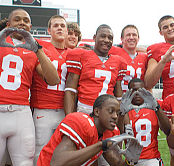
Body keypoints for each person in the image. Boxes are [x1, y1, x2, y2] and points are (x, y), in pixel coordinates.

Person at [0, 8, 59, 166]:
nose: (21, 23)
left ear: (31, 27)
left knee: (25, 162)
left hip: (21, 112)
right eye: (17, 19)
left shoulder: (33, 49)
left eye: (26, 21)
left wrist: (38, 49)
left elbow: (54, 80)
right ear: (8, 24)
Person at [37, 94, 143, 166]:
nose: (115, 116)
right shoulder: (81, 122)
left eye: (118, 113)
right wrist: (100, 145)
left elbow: (117, 163)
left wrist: (130, 161)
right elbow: (57, 162)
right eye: (111, 111)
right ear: (96, 112)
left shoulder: (109, 132)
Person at [30, 15, 68, 165]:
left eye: (62, 26)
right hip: (43, 109)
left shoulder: (73, 53)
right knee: (39, 151)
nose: (59, 28)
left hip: (64, 110)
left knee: (62, 152)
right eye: (56, 25)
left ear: (67, 31)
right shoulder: (40, 47)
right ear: (49, 30)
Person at [64, 24, 127, 115]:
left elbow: (119, 96)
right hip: (85, 109)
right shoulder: (81, 55)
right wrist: (69, 117)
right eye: (103, 36)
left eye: (110, 38)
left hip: (108, 113)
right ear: (94, 37)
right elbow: (70, 90)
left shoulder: (118, 62)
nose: (106, 40)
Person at [123, 78, 166, 166]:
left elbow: (168, 129)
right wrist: (121, 113)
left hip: (151, 158)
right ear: (129, 92)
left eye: (140, 90)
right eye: (134, 90)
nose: (137, 93)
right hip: (131, 159)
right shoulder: (123, 108)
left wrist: (157, 108)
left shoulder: (155, 105)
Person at [109, 24, 148, 92]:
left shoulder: (144, 57)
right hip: (119, 97)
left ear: (138, 38)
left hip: (138, 98)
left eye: (134, 35)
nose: (131, 37)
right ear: (122, 39)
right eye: (128, 35)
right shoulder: (114, 51)